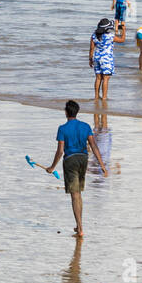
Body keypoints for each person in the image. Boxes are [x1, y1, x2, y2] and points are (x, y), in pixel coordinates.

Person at [45, 100, 109, 238]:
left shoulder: (62, 128)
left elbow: (60, 151)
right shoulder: (85, 126)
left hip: (70, 161)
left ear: (66, 112)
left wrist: (52, 167)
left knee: (75, 195)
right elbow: (94, 146)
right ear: (77, 112)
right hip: (83, 159)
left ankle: (80, 228)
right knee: (78, 193)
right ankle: (79, 225)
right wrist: (102, 165)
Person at [90, 17, 116, 101]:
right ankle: (104, 97)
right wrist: (124, 30)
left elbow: (91, 49)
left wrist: (90, 59)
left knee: (98, 78)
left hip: (97, 58)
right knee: (105, 79)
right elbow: (122, 40)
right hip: (106, 59)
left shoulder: (94, 35)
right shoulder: (110, 36)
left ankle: (96, 96)